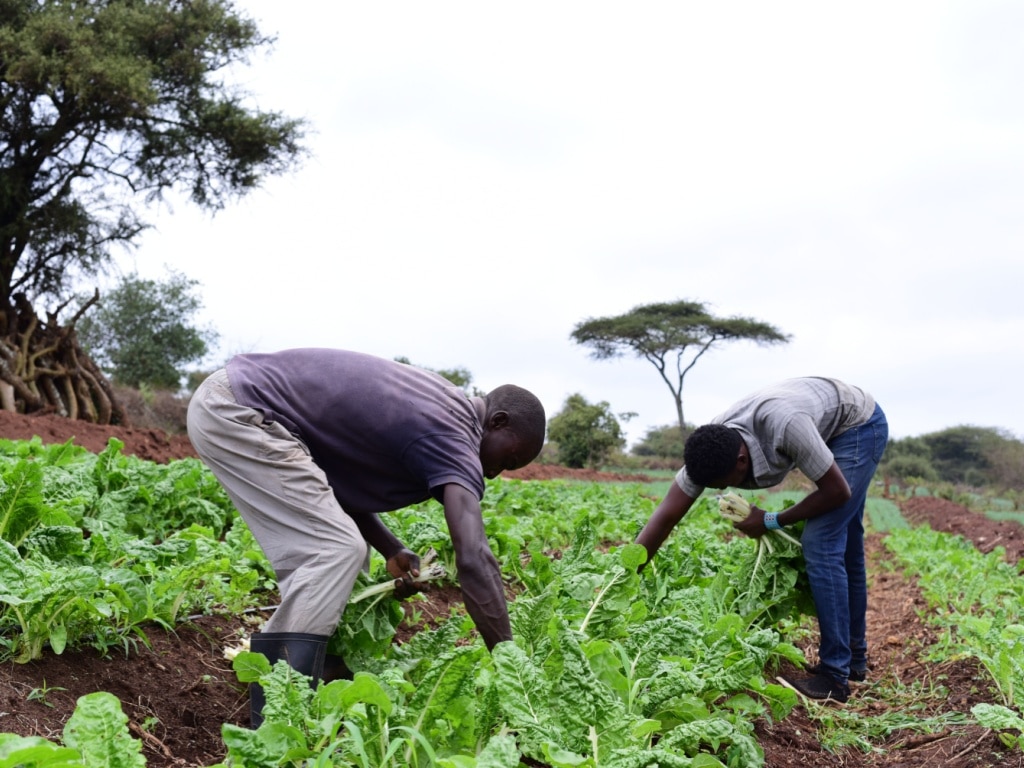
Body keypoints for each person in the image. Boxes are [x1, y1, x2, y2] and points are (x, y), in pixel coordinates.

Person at [186, 348, 546, 726]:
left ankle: (321, 672)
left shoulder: (445, 408)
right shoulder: (454, 434)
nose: (495, 474)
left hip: (243, 402)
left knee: (348, 553)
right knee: (335, 550)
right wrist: (511, 665)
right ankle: (278, 712)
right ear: (498, 421)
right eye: (508, 460)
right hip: (240, 411)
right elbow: (473, 556)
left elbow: (334, 483)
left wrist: (391, 549)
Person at [634, 377, 888, 703]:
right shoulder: (712, 447)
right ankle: (853, 660)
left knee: (821, 541)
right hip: (819, 415)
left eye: (724, 483)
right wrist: (624, 575)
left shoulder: (785, 426)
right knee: (846, 541)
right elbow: (667, 514)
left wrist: (769, 520)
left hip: (857, 425)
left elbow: (837, 492)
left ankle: (834, 678)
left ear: (741, 462)